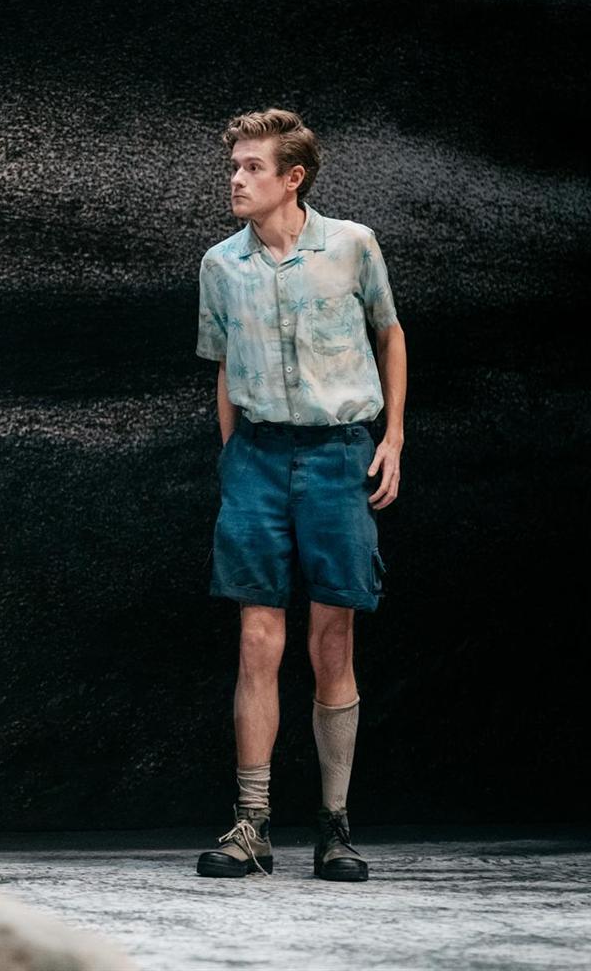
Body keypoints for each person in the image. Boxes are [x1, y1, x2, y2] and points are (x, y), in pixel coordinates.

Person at [192, 108, 406, 883]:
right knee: (257, 639)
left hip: (337, 452)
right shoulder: (221, 264)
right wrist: (232, 458)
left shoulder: (351, 245)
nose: (236, 179)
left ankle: (334, 827)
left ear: (293, 177)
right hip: (257, 454)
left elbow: (389, 332)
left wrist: (393, 437)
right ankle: (251, 824)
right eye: (234, 166)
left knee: (332, 640)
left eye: (252, 166)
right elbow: (222, 364)